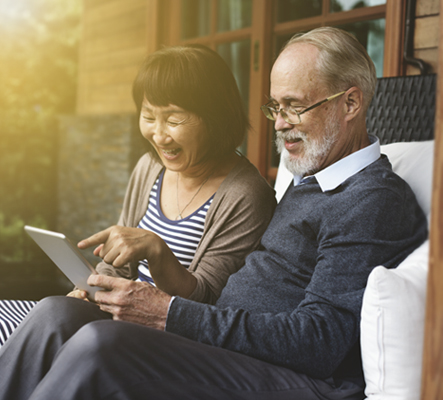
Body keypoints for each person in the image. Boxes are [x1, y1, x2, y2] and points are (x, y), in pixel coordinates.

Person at [0, 27, 428, 400]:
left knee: (101, 345)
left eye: (293, 106)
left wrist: (169, 313)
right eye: (274, 108)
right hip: (231, 349)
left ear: (350, 103)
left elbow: (321, 343)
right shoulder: (309, 181)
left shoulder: (372, 200)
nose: (278, 124)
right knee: (58, 315)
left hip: (299, 380)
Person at [0, 45, 276, 347]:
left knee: (47, 323)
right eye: (148, 116)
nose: (159, 135)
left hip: (164, 340)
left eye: (173, 120)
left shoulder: (246, 194)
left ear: (216, 117)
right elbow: (117, 264)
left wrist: (157, 252)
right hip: (113, 315)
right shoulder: (149, 167)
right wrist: (89, 289)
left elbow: (204, 302)